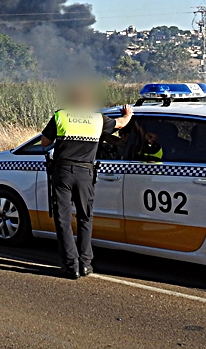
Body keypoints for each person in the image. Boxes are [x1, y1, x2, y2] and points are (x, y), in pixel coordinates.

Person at [41, 90, 133, 279]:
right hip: (85, 173)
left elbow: (44, 143)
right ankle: (85, 264)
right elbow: (121, 124)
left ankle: (71, 265)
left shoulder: (61, 116)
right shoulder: (97, 119)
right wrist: (128, 114)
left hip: (63, 171)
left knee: (63, 219)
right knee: (85, 217)